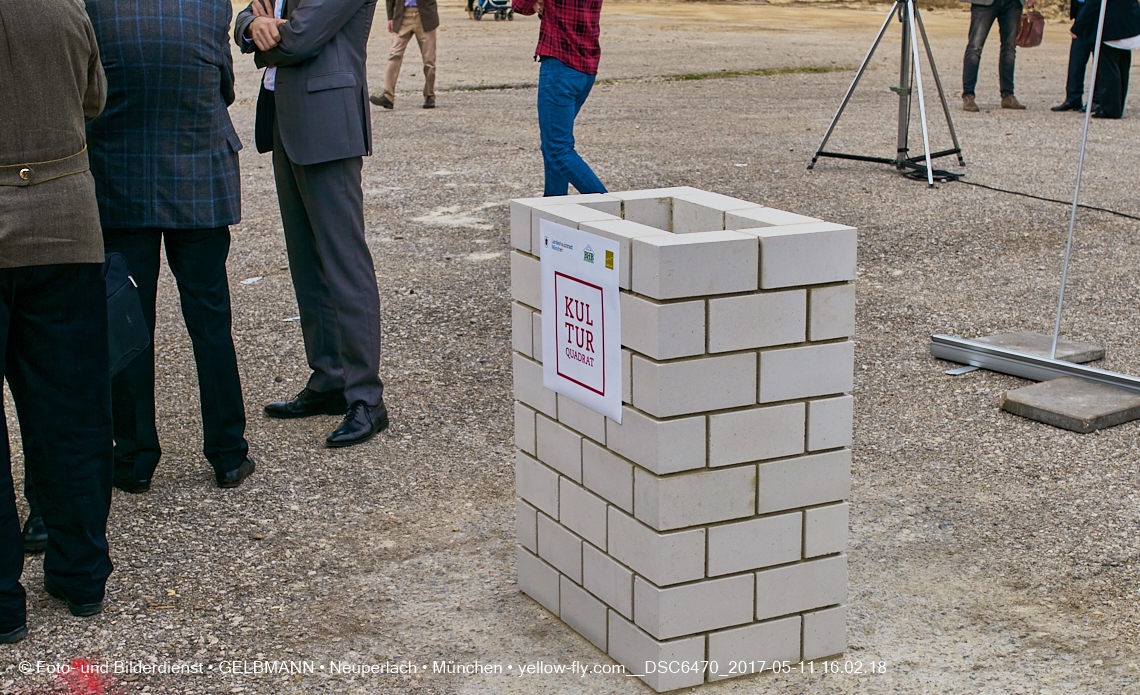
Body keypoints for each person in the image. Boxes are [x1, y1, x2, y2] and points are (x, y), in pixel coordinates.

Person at [82, 0, 256, 495]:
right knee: (211, 322)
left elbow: (88, 94)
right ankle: (227, 451)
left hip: (122, 178)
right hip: (198, 177)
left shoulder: (97, 8)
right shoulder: (209, 5)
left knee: (130, 325)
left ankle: (134, 456)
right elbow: (224, 86)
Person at [1, 0, 115, 644]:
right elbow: (93, 100)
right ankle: (81, 573)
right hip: (66, 222)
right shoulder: (68, 9)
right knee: (72, 413)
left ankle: (2, 601)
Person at [236, 0, 391, 448]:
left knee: (345, 265)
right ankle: (329, 378)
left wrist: (264, 36)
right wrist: (254, 25)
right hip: (288, 123)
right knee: (306, 263)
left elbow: (302, 37)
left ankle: (366, 398)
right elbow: (247, 16)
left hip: (328, 124)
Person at [512, 0, 608, 197]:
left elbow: (520, 5)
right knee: (552, 147)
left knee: (558, 149)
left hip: (560, 66)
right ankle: (553, 210)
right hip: (586, 68)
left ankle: (613, 207)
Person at [961, 0, 1036, 111]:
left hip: (1013, 3)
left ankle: (1008, 95)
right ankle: (968, 95)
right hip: (984, 3)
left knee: (1009, 49)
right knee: (975, 47)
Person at [1073, 0, 1140, 118]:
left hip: (1109, 25)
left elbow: (1094, 2)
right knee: (1122, 67)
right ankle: (1117, 106)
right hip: (1128, 21)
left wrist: (1078, 26)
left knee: (1108, 69)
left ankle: (1110, 109)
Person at [370, 0, 438, 109]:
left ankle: (429, 95)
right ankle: (388, 96)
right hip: (402, 15)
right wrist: (390, 17)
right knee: (394, 55)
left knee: (429, 60)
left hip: (424, 15)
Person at [1053, 0, 1096, 111]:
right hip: (1081, 8)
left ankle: (1096, 100)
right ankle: (1073, 98)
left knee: (1099, 59)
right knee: (1076, 57)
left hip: (1096, 9)